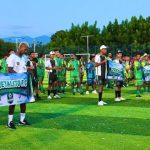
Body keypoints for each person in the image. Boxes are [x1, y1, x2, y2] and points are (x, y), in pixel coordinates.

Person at [6, 42, 30, 129]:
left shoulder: (24, 57)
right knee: (13, 102)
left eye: (27, 49)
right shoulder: (12, 57)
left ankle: (22, 120)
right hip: (14, 82)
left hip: (23, 82)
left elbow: (24, 68)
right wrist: (19, 77)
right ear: (20, 47)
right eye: (25, 49)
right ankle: (10, 121)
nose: (26, 51)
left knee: (23, 101)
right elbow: (9, 69)